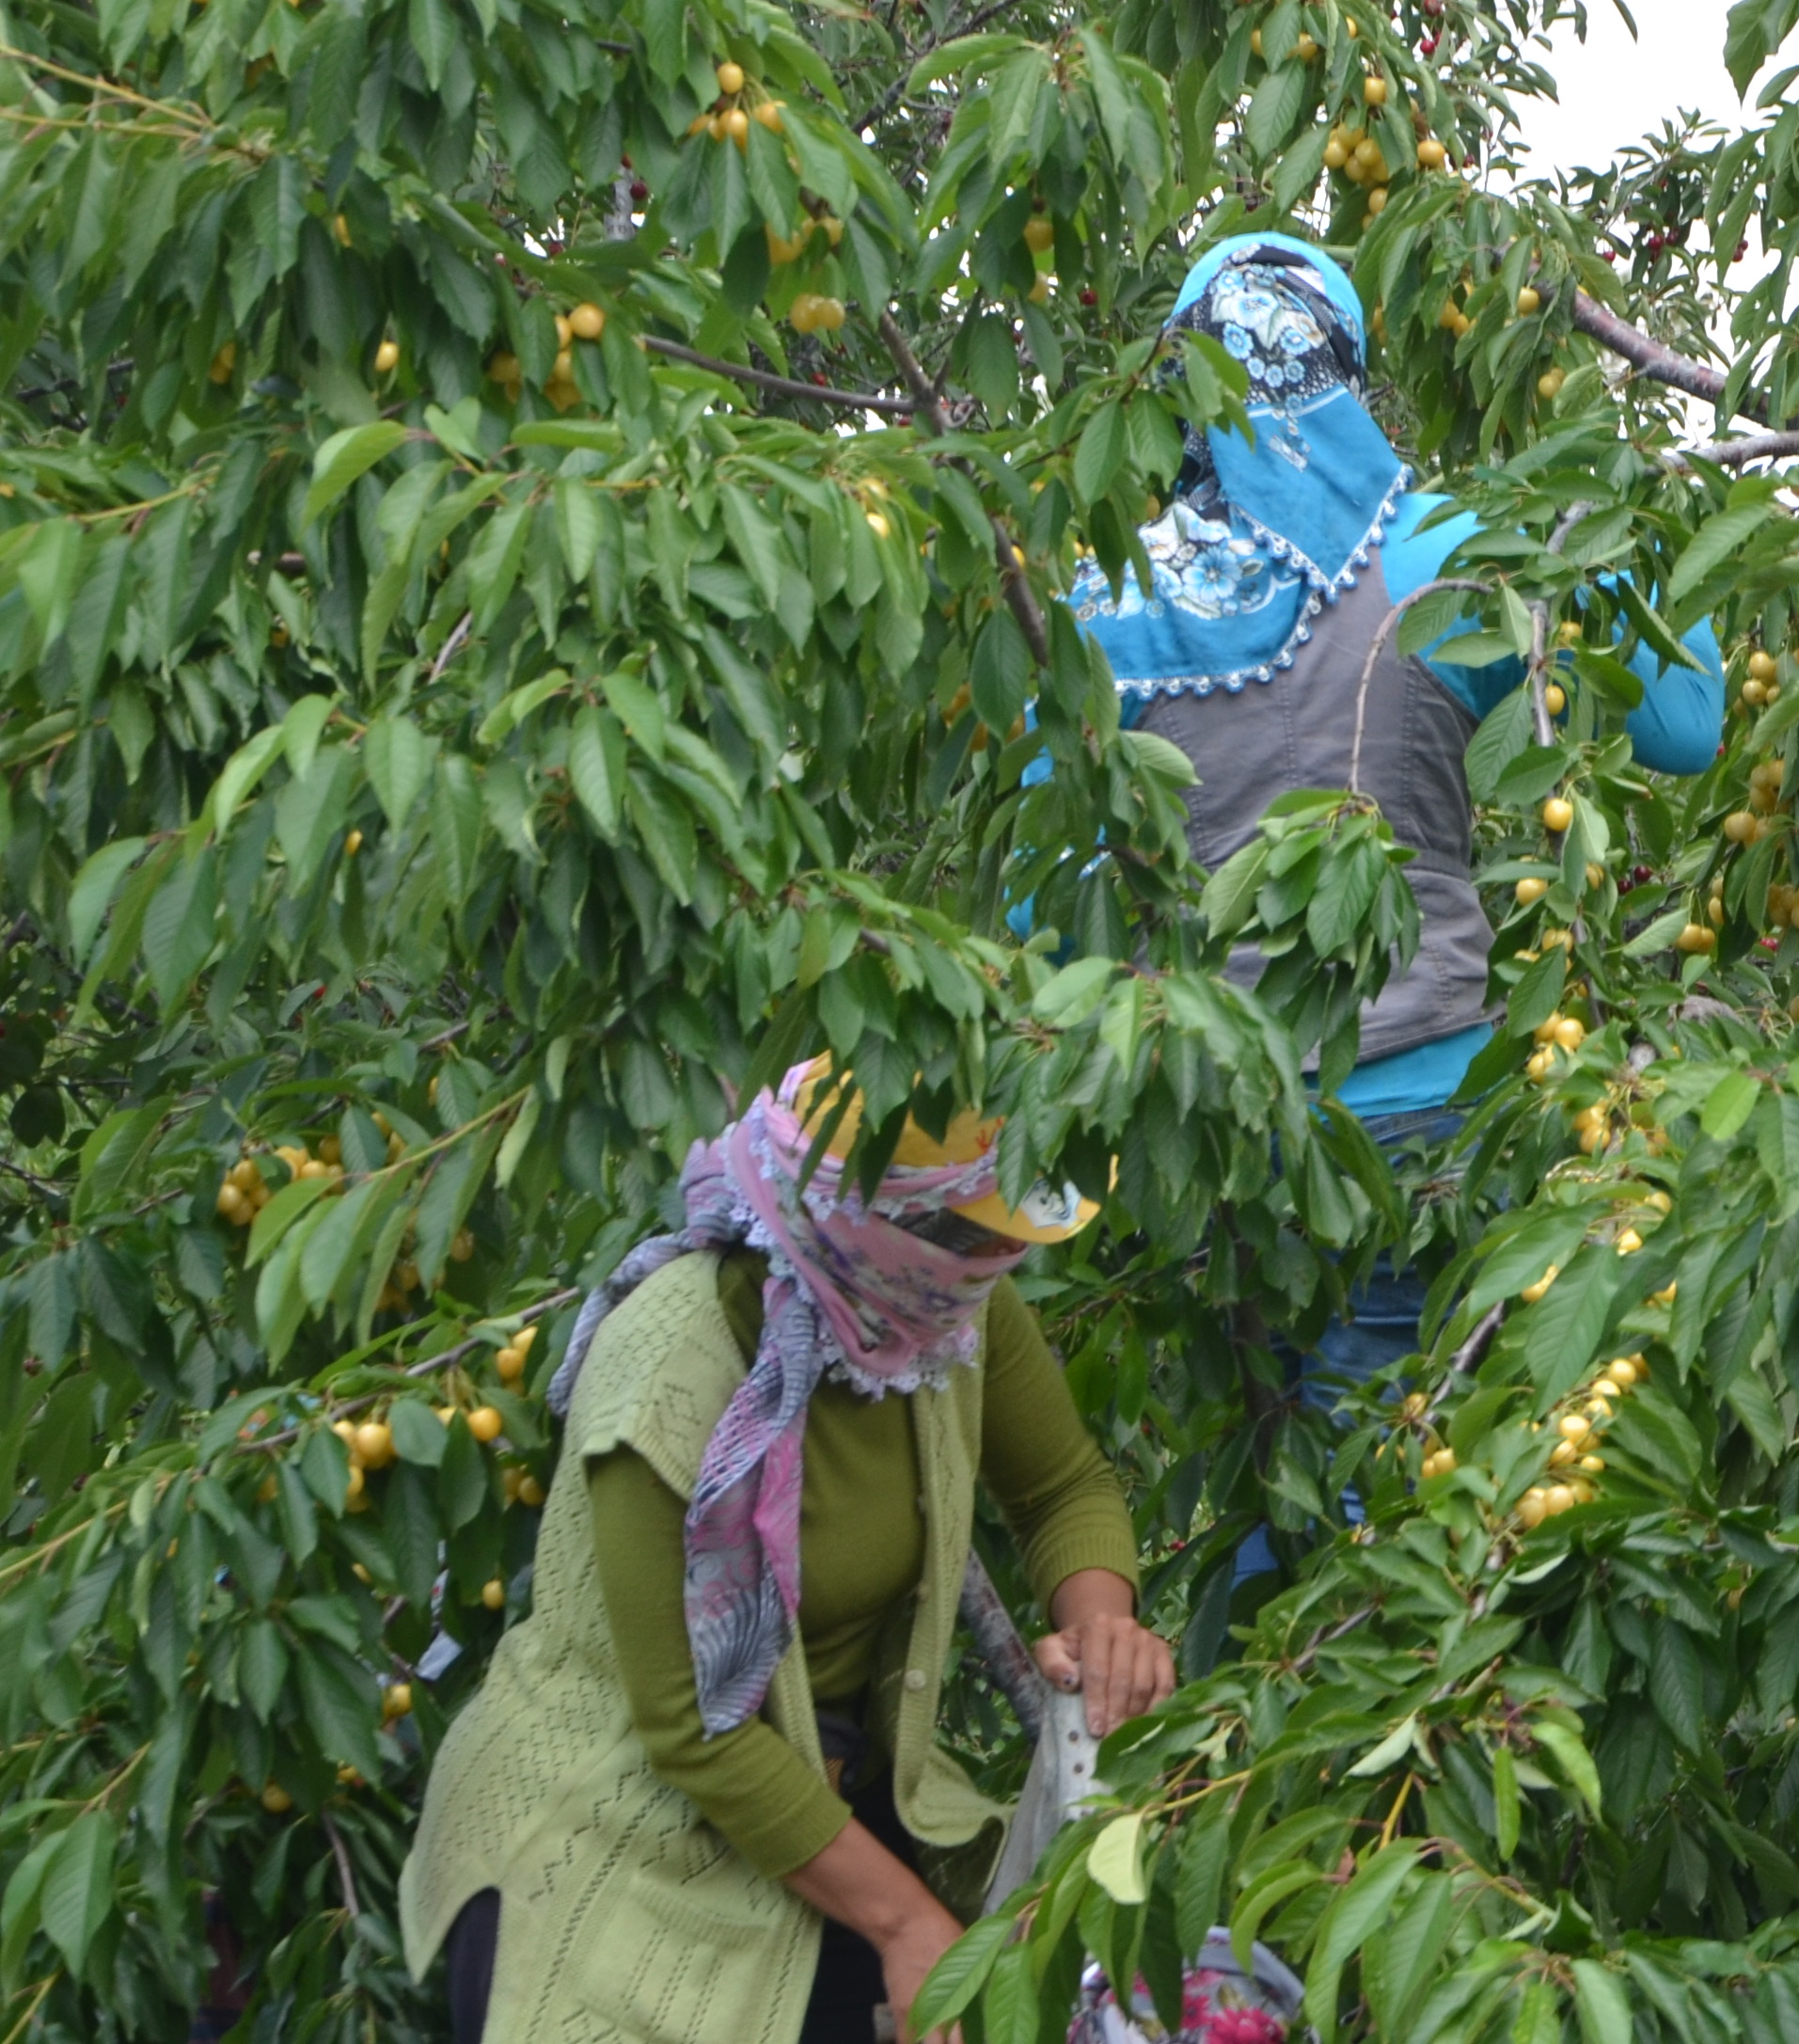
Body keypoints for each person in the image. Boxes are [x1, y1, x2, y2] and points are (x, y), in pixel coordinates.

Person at [1072, 232, 1721, 1403]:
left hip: (1201, 1144)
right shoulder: (1444, 545)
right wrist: (1607, 511)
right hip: (1428, 1118)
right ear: (1346, 377)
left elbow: (1047, 912)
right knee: (1408, 1477)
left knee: (1264, 1486)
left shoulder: (1093, 603)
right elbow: (1686, 729)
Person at [403, 1071, 1163, 2044]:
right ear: (865, 1226)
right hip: (622, 1826)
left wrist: (1099, 1621)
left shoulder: (938, 1307)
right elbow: (692, 1732)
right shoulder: (669, 1382)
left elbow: (1062, 1486)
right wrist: (904, 1923)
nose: (1003, 1255)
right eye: (972, 1234)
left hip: (826, 1798)